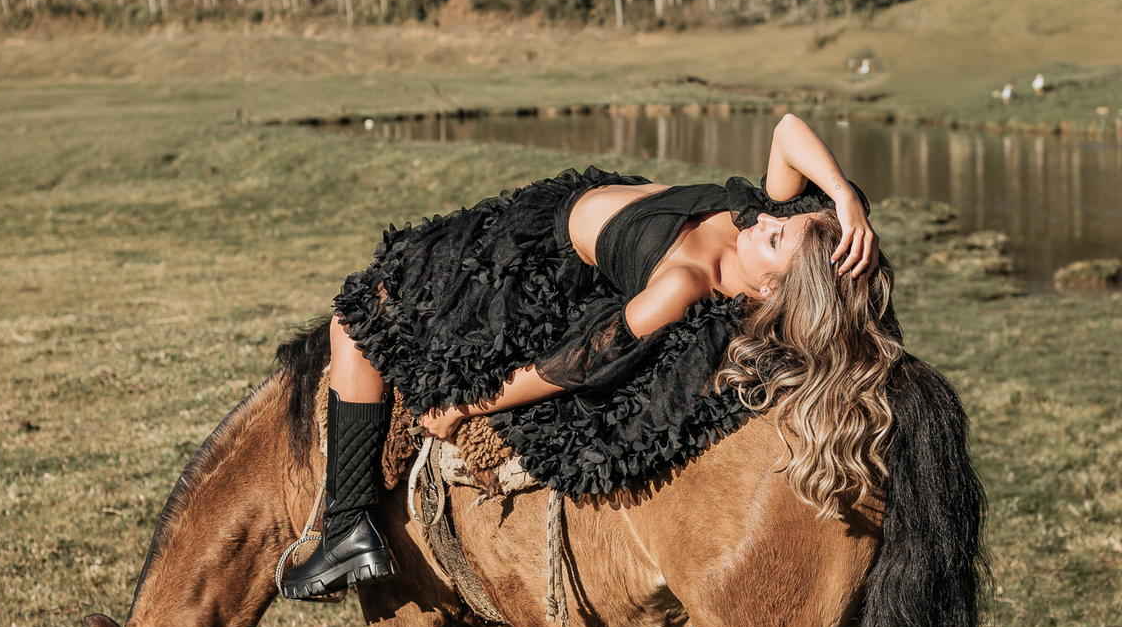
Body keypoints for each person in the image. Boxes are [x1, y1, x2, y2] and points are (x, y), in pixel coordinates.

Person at [280, 113, 887, 599]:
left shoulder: (682, 285)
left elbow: (578, 362)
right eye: (782, 222)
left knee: (360, 317)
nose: (764, 225)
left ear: (775, 289)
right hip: (549, 210)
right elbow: (786, 128)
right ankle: (347, 527)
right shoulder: (772, 220)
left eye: (777, 239)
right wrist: (843, 200)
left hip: (527, 264)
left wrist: (468, 405)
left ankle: (346, 528)